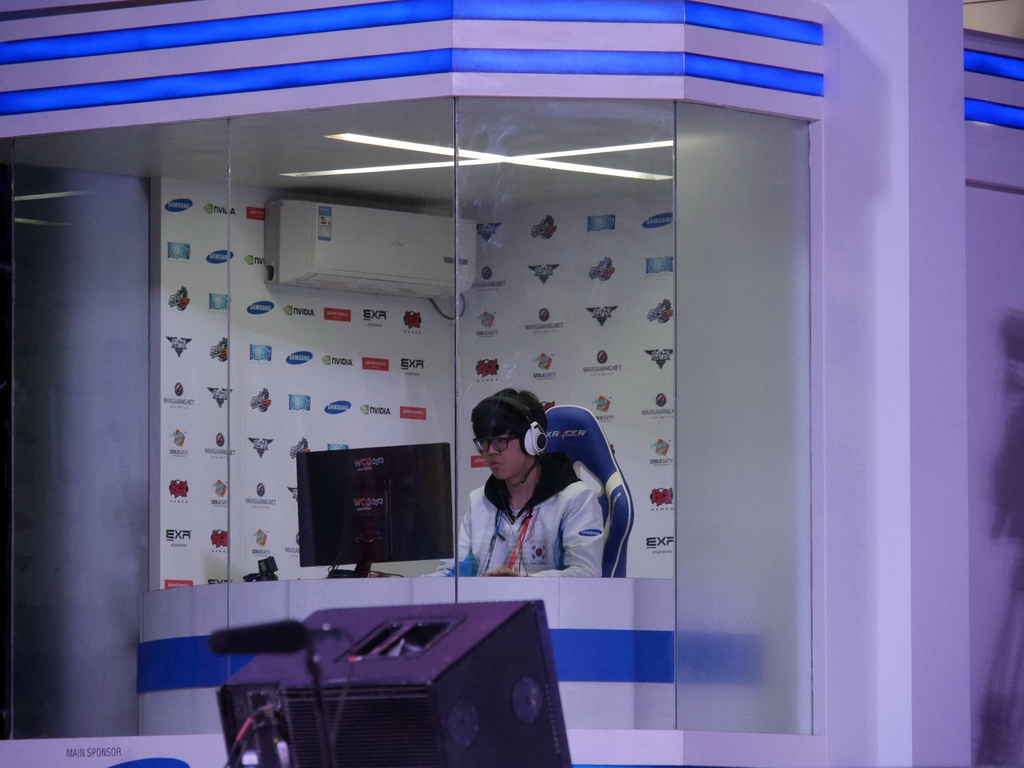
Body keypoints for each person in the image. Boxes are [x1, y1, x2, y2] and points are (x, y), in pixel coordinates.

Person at [434, 388, 604, 577]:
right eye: (484, 442)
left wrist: (523, 583)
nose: (490, 451)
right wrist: (409, 585)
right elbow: (453, 573)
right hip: (488, 597)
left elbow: (586, 573)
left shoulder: (575, 499)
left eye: (500, 441)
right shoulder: (478, 500)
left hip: (546, 598)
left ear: (532, 441)